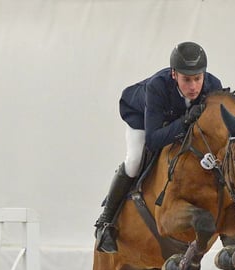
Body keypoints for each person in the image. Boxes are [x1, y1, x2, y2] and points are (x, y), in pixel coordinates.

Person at [94, 41, 223, 253]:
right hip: (142, 117)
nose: (193, 87)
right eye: (186, 80)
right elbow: (153, 140)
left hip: (174, 118)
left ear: (204, 75)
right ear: (174, 74)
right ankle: (105, 222)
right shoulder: (157, 87)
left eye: (197, 79)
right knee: (135, 160)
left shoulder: (213, 86)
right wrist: (184, 122)